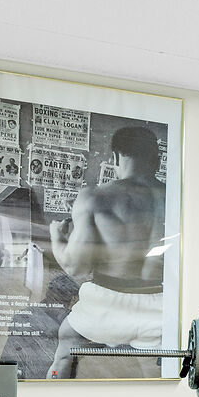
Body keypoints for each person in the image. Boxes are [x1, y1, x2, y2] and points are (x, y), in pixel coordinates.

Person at [47, 126, 167, 378]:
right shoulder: (176, 199)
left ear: (114, 157)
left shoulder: (94, 197)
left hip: (106, 305)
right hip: (159, 307)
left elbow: (75, 267)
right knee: (159, 373)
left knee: (66, 348)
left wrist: (56, 236)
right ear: (156, 159)